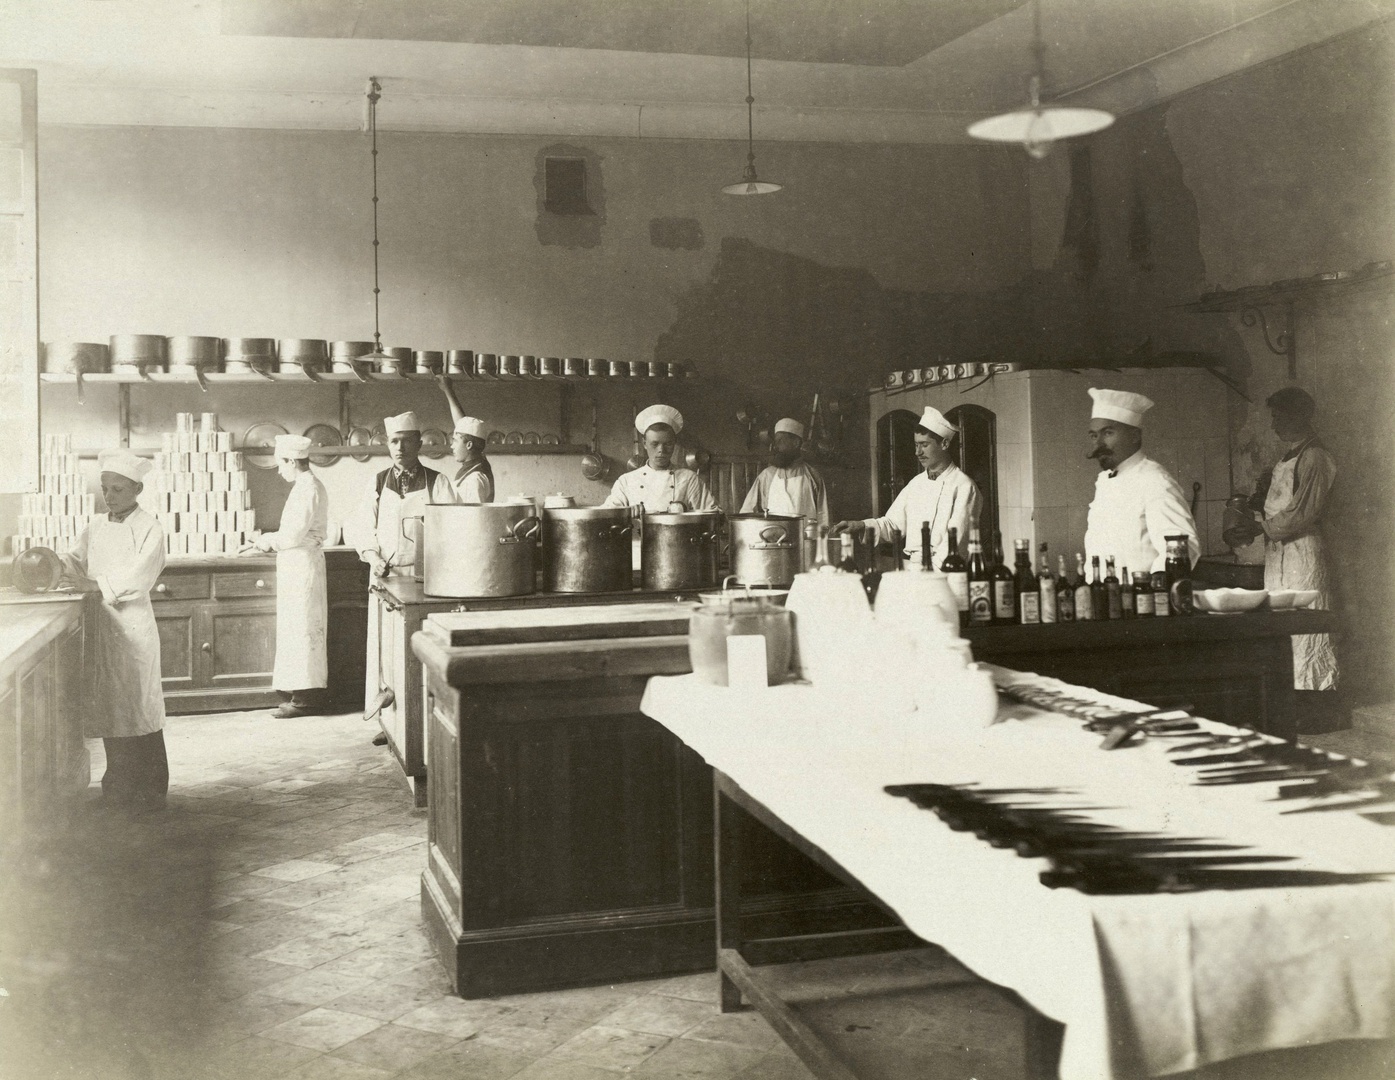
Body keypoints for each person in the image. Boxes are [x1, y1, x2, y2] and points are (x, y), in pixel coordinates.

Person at [59, 449, 168, 815]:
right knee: (110, 709)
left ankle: (150, 791)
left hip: (132, 626)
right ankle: (117, 789)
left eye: (118, 490)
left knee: (139, 707)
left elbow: (140, 576)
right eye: (105, 488)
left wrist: (96, 585)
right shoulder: (96, 525)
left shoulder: (150, 527)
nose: (109, 496)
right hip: (102, 626)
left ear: (137, 489)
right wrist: (55, 563)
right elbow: (74, 559)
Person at [1224, 387, 1339, 718]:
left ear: (1301, 416)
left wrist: (1260, 528)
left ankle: (1319, 711)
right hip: (1279, 554)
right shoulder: (1288, 456)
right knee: (1284, 628)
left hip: (1303, 553)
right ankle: (1295, 708)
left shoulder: (1315, 457)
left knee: (1308, 630)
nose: (1274, 425)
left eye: (1280, 417)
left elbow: (1303, 513)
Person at [346, 411, 457, 737]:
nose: (399, 448)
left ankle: (420, 725)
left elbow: (452, 528)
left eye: (406, 441)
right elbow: (361, 527)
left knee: (418, 650)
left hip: (425, 581)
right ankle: (390, 723)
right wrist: (372, 556)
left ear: (418, 443)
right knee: (386, 650)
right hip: (386, 577)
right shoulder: (378, 482)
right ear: (387, 444)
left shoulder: (437, 481)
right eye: (394, 441)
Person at [833, 406, 979, 567]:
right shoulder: (916, 483)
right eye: (916, 445)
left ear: (944, 444)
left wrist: (925, 574)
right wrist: (861, 525)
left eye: (924, 445)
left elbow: (955, 545)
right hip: (914, 567)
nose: (918, 452)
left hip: (946, 571)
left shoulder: (964, 486)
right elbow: (893, 524)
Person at [252, 434, 329, 718]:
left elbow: (292, 536)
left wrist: (264, 540)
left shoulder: (308, 488)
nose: (279, 471)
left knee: (303, 630)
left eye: (281, 464)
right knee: (297, 630)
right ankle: (299, 695)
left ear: (292, 461)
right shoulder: (305, 486)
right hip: (297, 565)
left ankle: (306, 700)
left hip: (302, 564)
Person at [1083, 388, 1199, 574]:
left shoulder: (1154, 480)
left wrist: (1154, 584)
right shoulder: (1105, 480)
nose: (1098, 444)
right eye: (1094, 435)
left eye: (1108, 433)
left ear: (1135, 436)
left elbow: (1183, 548)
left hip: (1142, 591)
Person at [603, 404, 717, 512]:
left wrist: (686, 511)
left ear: (674, 443)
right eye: (655, 444)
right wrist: (627, 511)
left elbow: (715, 513)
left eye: (668, 444)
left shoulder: (689, 479)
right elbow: (607, 514)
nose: (661, 450)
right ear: (644, 443)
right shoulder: (626, 481)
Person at [739, 418, 830, 527]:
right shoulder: (766, 476)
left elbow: (824, 517)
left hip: (805, 537)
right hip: (771, 537)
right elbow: (747, 512)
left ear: (796, 443)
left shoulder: (813, 476)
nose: (775, 446)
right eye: (775, 442)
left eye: (780, 441)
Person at [437, 375, 494, 503]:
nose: (451, 446)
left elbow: (474, 514)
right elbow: (462, 425)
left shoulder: (475, 478)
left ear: (469, 445)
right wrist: (448, 391)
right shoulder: (478, 461)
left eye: (455, 441)